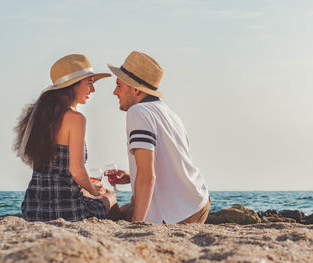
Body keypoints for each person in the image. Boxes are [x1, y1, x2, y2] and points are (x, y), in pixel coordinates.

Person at [106, 51, 210, 224]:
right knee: (124, 210)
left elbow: (148, 177)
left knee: (114, 213)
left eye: (119, 85)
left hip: (178, 214)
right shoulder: (168, 113)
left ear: (135, 89)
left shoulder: (137, 112)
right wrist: (131, 176)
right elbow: (173, 165)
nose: (114, 92)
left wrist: (136, 224)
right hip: (199, 202)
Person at [14, 54, 118, 222]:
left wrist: (86, 188)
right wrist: (93, 190)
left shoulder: (42, 119)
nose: (93, 90)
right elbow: (76, 171)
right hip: (65, 210)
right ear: (73, 85)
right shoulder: (75, 119)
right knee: (110, 198)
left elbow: (55, 173)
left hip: (33, 208)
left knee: (91, 194)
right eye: (89, 83)